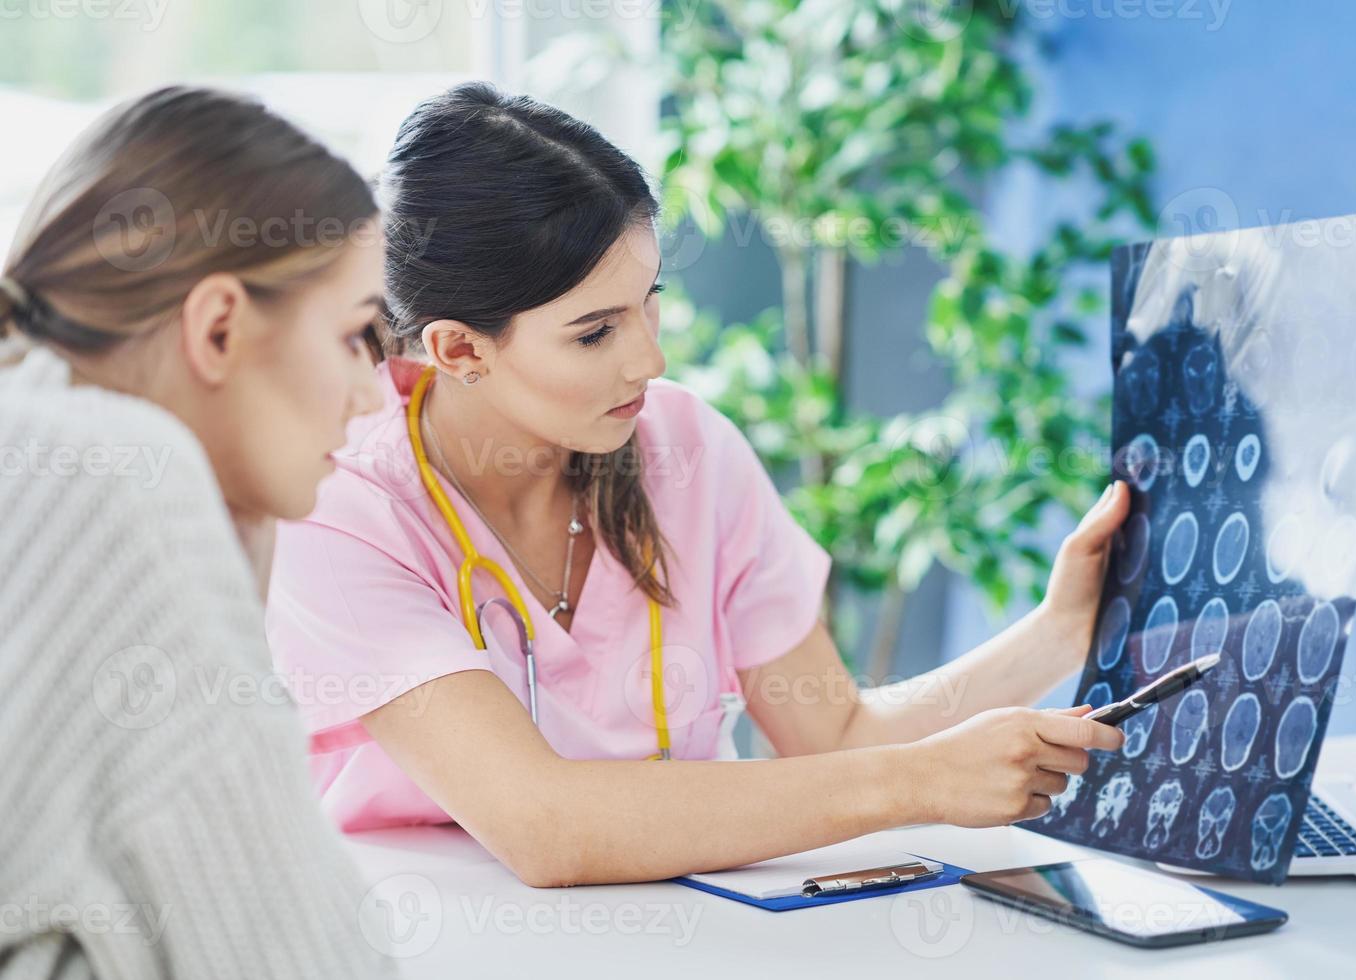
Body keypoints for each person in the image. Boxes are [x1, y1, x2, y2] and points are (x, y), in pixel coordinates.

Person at [265, 82, 1127, 889]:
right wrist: (916, 784)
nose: (651, 358)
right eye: (596, 332)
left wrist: (1061, 630)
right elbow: (543, 826)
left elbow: (833, 734)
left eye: (650, 301)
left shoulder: (684, 449)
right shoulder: (340, 506)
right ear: (459, 350)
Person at [0, 86, 397, 977]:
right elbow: (301, 959)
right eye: (353, 334)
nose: (371, 392)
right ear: (218, 325)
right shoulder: (115, 478)